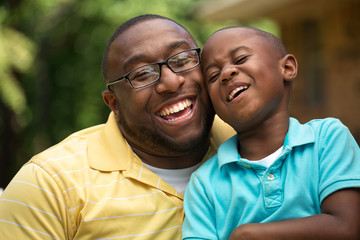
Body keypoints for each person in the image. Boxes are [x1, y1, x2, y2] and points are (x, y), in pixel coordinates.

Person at [0, 14, 235, 239]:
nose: (172, 82)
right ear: (114, 104)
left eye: (182, 60)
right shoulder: (49, 184)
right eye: (142, 74)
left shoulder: (249, 140)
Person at [182, 26, 360, 240]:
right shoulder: (204, 184)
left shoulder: (327, 139)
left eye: (240, 59)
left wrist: (247, 235)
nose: (226, 74)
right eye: (213, 75)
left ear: (287, 68)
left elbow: (347, 227)